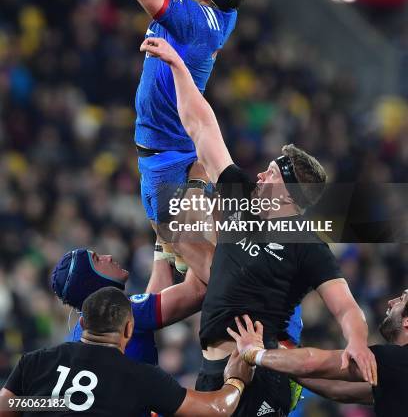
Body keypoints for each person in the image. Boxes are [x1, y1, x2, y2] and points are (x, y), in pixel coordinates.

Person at [138, 36, 377, 416]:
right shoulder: (243, 197)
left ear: (289, 194)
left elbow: (345, 306)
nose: (262, 173)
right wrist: (179, 68)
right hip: (212, 368)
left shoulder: (306, 243)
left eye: (273, 172)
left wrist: (358, 342)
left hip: (258, 371)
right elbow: (202, 127)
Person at [103, 0, 250, 272]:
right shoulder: (213, 3)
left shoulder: (192, 21)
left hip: (164, 158)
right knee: (174, 266)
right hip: (183, 149)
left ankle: (249, 314)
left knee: (194, 260)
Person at [0, 287, 253, 417]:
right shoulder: (142, 378)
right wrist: (236, 380)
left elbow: (6, 407)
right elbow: (217, 409)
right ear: (129, 329)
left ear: (82, 324)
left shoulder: (35, 360)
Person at [229, 290, 408, 417]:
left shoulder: (396, 359)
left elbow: (311, 362)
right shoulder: (395, 374)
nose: (391, 301)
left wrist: (255, 353)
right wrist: (287, 366)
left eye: (401, 299)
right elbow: (339, 391)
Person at [51, 248, 206, 366]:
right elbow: (197, 291)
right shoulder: (122, 313)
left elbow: (152, 302)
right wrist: (192, 234)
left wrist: (162, 241)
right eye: (97, 260)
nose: (108, 257)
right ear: (91, 281)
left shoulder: (74, 338)